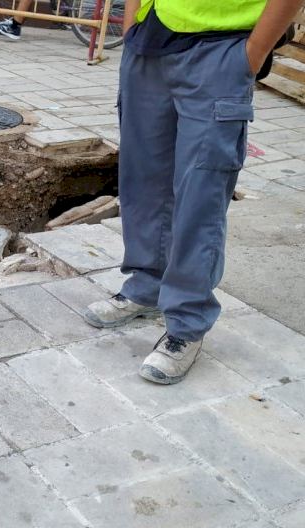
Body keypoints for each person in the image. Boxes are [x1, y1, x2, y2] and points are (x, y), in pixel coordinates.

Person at [84, 0, 304, 385]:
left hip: (220, 49)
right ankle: (147, 286)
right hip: (149, 42)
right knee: (143, 180)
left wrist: (251, 55)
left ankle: (187, 322)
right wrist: (132, 24)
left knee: (200, 195)